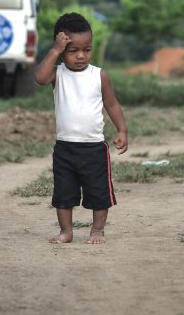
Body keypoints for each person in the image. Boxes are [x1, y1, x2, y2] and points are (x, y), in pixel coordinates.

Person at [34, 12, 128, 244]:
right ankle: (66, 231)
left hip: (94, 148)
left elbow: (112, 104)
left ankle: (97, 230)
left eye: (86, 50)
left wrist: (122, 130)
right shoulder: (58, 74)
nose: (80, 56)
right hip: (65, 148)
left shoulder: (99, 76)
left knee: (99, 193)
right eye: (72, 50)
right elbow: (39, 78)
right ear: (61, 47)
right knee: (63, 194)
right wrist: (54, 51)